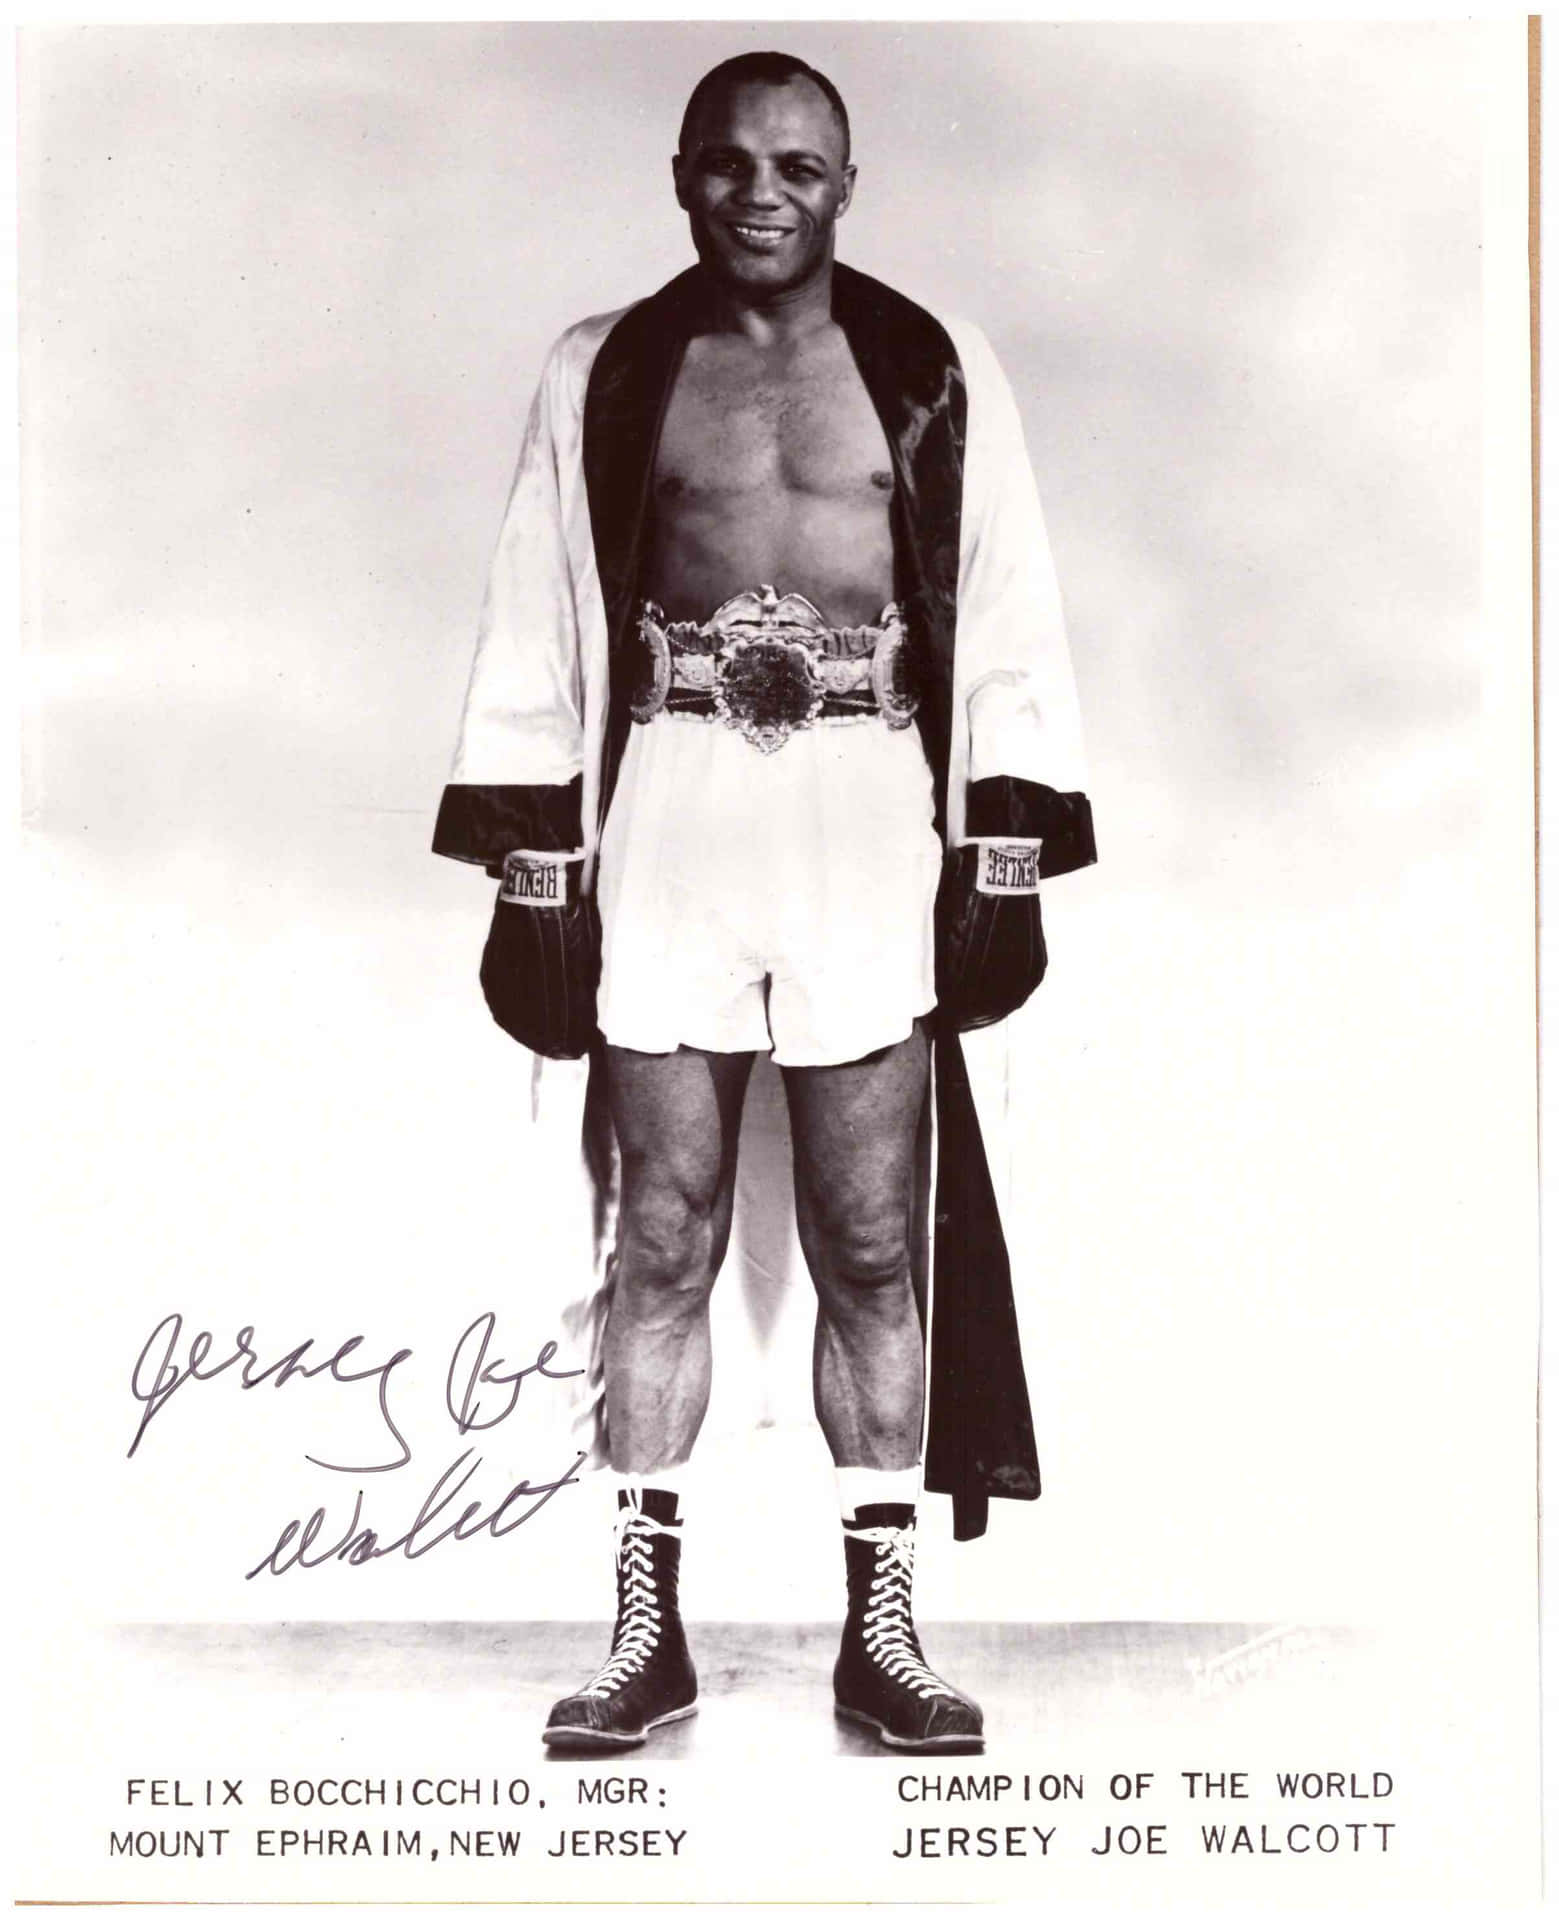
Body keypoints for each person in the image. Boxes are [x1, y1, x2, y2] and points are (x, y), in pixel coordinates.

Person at [432, 51, 1095, 1754]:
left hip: (867, 805)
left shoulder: (933, 368)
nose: (761, 192)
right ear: (680, 175)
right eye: (728, 164)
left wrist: (1004, 840)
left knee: (876, 1242)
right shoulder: (609, 370)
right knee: (659, 1232)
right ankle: (642, 1634)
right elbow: (537, 600)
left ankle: (883, 1639)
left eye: (798, 164)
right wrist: (534, 859)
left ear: (846, 182)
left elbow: (1005, 591)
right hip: (673, 794)